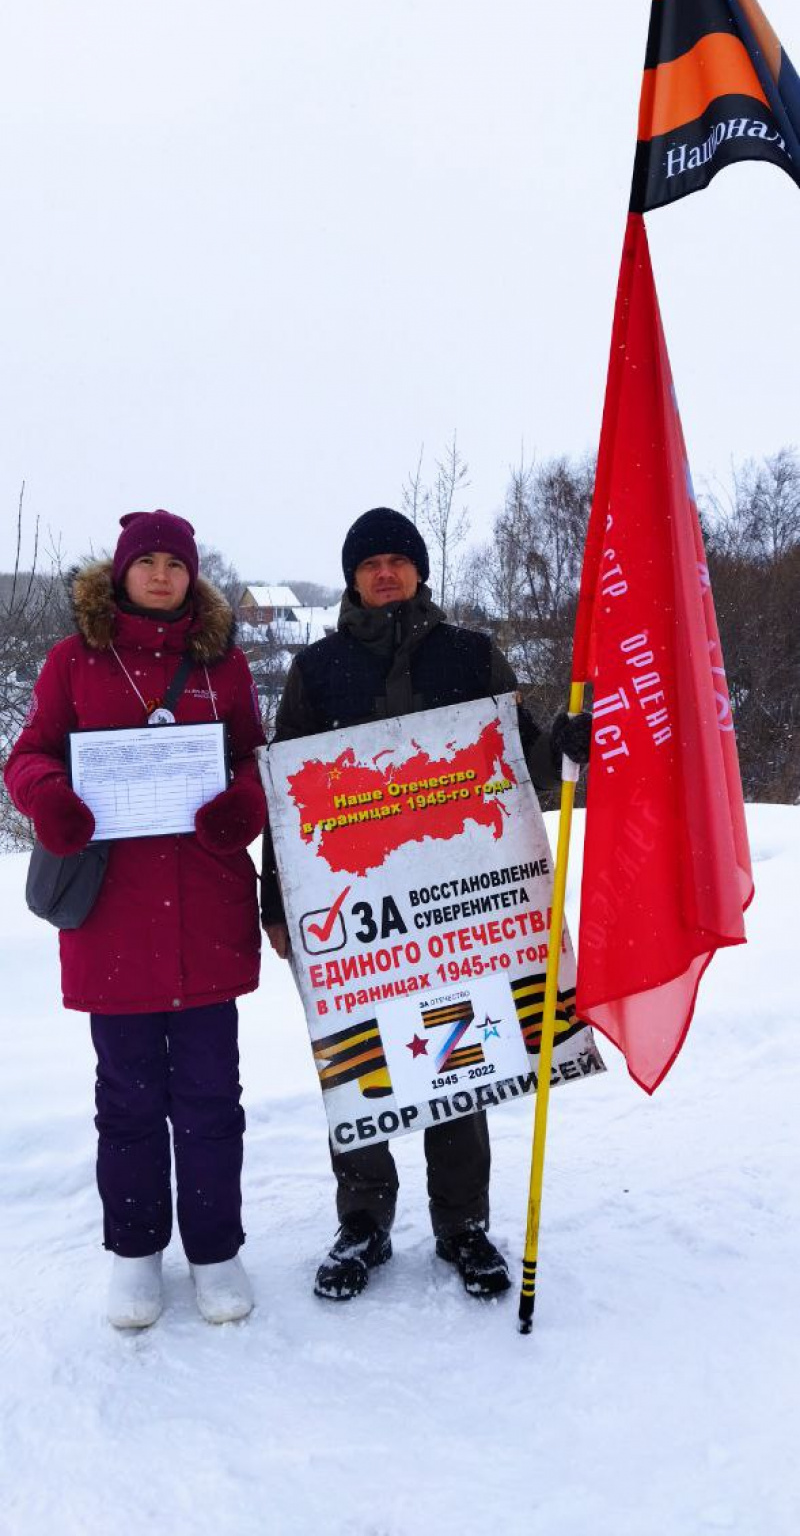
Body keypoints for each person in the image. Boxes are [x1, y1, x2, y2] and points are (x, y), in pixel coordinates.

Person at [261, 506, 591, 1303]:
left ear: (419, 571)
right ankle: (364, 1223)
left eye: (397, 561)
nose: (385, 572)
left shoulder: (471, 656)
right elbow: (285, 803)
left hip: (456, 911)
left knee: (458, 1061)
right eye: (369, 562)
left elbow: (523, 769)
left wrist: (568, 748)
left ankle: (462, 1225)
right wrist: (277, 904)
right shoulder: (316, 671)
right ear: (351, 577)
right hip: (355, 915)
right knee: (360, 1066)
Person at [4, 510, 267, 1329]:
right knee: (125, 1100)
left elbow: (257, 757)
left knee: (211, 1098)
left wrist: (243, 806)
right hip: (113, 921)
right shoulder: (71, 662)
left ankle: (216, 1250)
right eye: (146, 561)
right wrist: (52, 802)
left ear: (193, 576)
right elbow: (29, 756)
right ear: (120, 573)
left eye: (174, 564)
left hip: (204, 916)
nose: (160, 575)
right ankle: (136, 1255)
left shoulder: (221, 665)